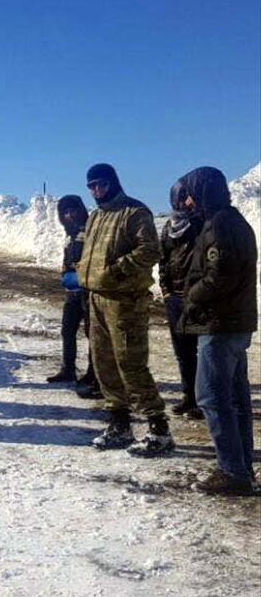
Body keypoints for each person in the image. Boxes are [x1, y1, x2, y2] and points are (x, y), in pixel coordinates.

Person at [77, 163, 171, 456]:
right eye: (91, 186)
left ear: (113, 182)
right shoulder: (95, 217)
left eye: (101, 184)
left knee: (130, 362)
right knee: (104, 362)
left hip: (125, 301)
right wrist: (83, 271)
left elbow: (150, 250)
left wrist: (117, 271)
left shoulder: (134, 212)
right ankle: (119, 423)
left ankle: (159, 428)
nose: (96, 190)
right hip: (97, 298)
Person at [177, 167, 258, 496]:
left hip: (220, 323)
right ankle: (240, 466)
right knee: (235, 400)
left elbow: (220, 274)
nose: (187, 200)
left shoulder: (221, 224)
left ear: (205, 191)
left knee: (211, 397)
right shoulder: (231, 221)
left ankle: (232, 470)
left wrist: (191, 297)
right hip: (233, 322)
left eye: (191, 192)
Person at [158, 177, 204, 419]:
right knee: (182, 351)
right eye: (180, 197)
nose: (184, 202)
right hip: (174, 299)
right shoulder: (169, 226)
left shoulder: (202, 224)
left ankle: (203, 399)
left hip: (195, 297)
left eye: (187, 197)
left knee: (200, 350)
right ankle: (189, 395)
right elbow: (163, 261)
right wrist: (165, 291)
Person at [49, 195, 99, 397]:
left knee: (92, 333)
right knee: (67, 331)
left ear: (80, 210)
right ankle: (68, 369)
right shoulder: (69, 235)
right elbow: (67, 259)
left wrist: (82, 276)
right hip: (72, 293)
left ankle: (92, 373)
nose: (70, 215)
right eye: (65, 212)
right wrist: (65, 274)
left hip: (88, 292)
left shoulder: (90, 231)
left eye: (73, 210)